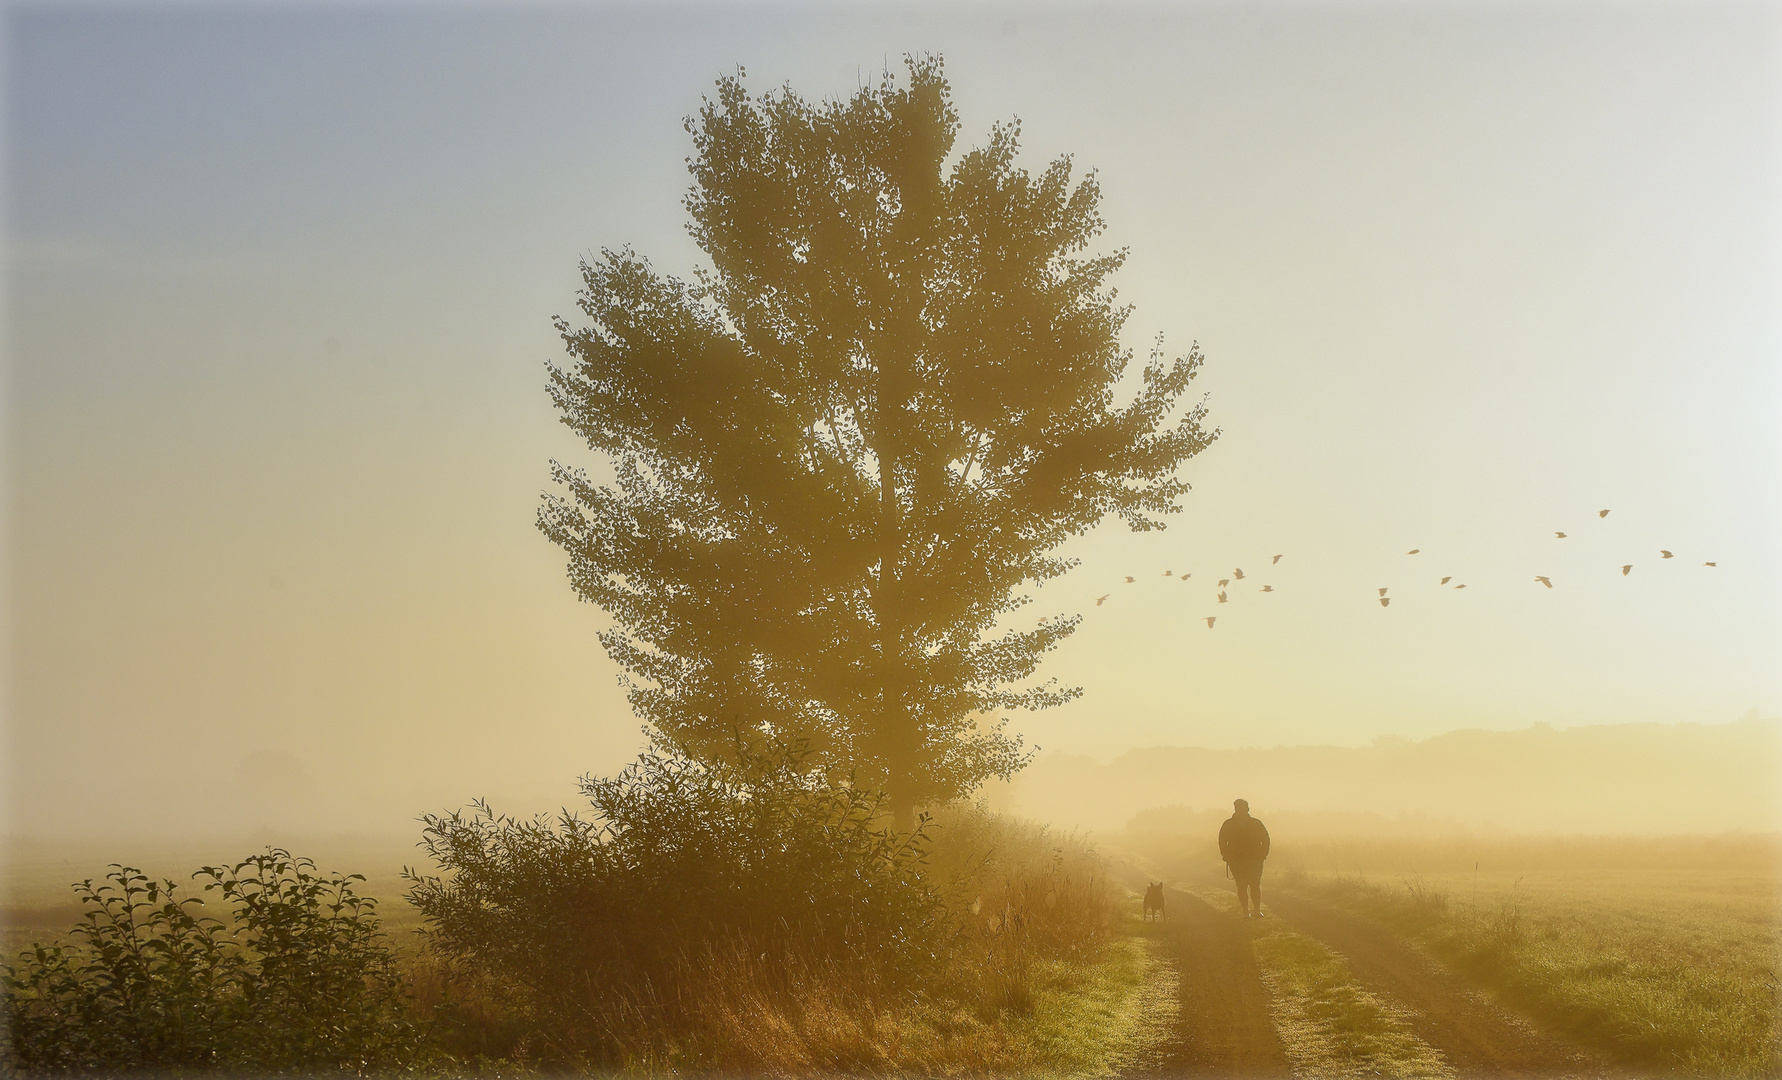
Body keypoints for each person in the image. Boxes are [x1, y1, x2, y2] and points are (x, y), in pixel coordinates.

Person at [1218, 798, 1270, 917]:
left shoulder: (1256, 823)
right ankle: (1246, 911)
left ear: (1247, 809)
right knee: (1242, 885)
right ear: (1235, 808)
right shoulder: (1228, 824)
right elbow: (1222, 841)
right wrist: (1226, 856)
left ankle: (1256, 910)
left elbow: (1265, 839)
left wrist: (1263, 854)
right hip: (1236, 860)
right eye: (1238, 807)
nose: (1240, 810)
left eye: (1242, 807)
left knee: (1254, 883)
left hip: (1255, 859)